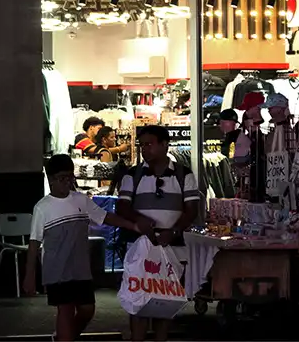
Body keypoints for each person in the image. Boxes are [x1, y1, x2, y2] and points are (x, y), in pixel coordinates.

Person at [23, 153, 150, 342]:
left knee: (87, 309)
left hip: (80, 267)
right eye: (61, 179)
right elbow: (34, 243)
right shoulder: (43, 207)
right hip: (57, 269)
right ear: (50, 179)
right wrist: (30, 275)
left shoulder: (80, 200)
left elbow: (104, 216)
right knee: (65, 309)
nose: (66, 183)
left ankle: (63, 338)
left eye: (69, 177)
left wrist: (133, 226)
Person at [117, 127, 201, 342]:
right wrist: (139, 220)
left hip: (173, 248)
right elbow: (122, 207)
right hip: (139, 248)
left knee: (166, 300)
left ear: (165, 145)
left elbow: (192, 210)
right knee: (138, 300)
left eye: (149, 143)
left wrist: (173, 231)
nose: (144, 149)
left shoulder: (184, 174)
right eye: (142, 144)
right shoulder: (131, 174)